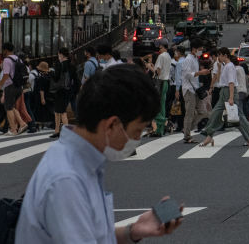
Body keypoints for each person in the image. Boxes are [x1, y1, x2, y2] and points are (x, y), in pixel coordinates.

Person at [15, 64, 183, 243]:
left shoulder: (77, 160)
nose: (136, 139)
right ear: (111, 125)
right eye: (137, 130)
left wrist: (133, 231)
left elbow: (92, 235)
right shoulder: (66, 180)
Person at [198, 48, 249, 147]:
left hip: (229, 92)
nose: (218, 57)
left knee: (238, 117)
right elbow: (220, 80)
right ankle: (209, 135)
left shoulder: (230, 66)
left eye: (220, 55)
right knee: (216, 113)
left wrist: (231, 97)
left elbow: (231, 82)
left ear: (225, 55)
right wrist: (219, 68)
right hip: (223, 92)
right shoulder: (225, 66)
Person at [180, 40, 212, 144]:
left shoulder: (195, 58)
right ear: (194, 49)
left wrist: (202, 73)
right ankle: (187, 135)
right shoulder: (188, 59)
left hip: (195, 89)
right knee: (189, 113)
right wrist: (200, 72)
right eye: (200, 49)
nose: (201, 51)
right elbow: (187, 74)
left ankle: (186, 129)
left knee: (203, 112)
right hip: (189, 89)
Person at [0, 42, 23, 135]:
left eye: (3, 50)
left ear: (5, 50)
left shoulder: (7, 60)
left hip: (10, 86)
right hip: (19, 86)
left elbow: (5, 75)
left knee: (8, 108)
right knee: (11, 106)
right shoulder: (18, 59)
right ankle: (22, 123)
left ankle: (13, 130)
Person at [48, 51, 73, 139]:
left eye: (59, 55)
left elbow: (56, 77)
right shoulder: (71, 64)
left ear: (62, 55)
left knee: (60, 112)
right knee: (59, 111)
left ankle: (63, 131)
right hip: (67, 90)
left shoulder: (60, 64)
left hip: (59, 90)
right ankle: (57, 130)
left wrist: (51, 73)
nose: (58, 57)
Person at [152, 41, 173, 137]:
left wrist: (153, 70)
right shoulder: (168, 56)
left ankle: (165, 122)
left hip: (160, 82)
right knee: (162, 106)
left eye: (160, 48)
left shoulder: (161, 56)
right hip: (166, 82)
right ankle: (159, 130)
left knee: (155, 106)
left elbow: (158, 70)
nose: (159, 50)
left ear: (164, 47)